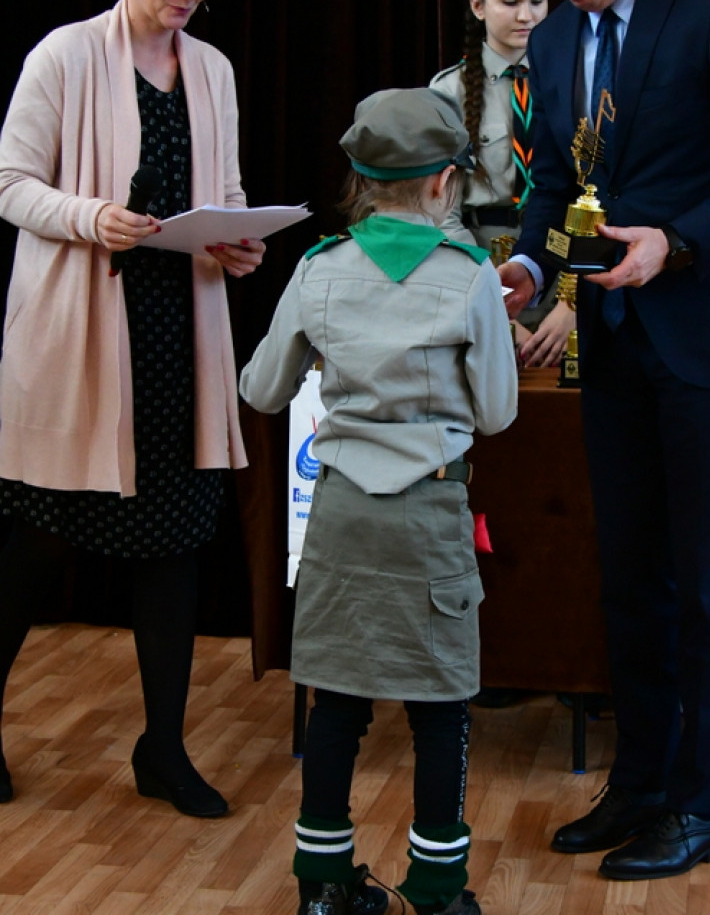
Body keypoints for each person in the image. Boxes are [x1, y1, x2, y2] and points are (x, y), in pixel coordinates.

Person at [498, 0, 710, 881]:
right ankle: (642, 783)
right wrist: (530, 267)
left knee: (708, 591)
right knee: (629, 584)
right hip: (611, 348)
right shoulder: (561, 37)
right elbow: (556, 185)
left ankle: (702, 808)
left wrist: (681, 241)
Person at [0, 0, 265, 817]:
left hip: (177, 336)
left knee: (176, 546)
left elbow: (222, 192)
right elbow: (11, 186)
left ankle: (163, 748)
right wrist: (91, 219)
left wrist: (235, 242)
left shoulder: (215, 70)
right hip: (78, 335)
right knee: (33, 547)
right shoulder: (65, 54)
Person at [240, 88, 517, 915]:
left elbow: (262, 390)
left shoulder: (318, 268)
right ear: (444, 186)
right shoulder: (466, 278)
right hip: (429, 515)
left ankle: (321, 889)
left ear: (358, 177)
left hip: (342, 515)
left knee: (338, 705)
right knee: (439, 711)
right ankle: (437, 893)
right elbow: (498, 412)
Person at [430, 0, 574, 368]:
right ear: (478, 5)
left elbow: (602, 201)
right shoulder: (448, 92)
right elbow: (441, 214)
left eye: (537, 0)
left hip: (566, 269)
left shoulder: (575, 82)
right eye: (510, 1)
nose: (527, 16)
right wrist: (492, 306)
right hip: (481, 276)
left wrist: (574, 302)